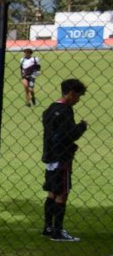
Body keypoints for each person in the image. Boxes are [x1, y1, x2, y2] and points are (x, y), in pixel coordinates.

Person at [41, 78, 89, 242]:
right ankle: (58, 231)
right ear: (71, 93)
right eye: (78, 96)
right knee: (62, 193)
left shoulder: (50, 109)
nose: (78, 99)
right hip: (62, 158)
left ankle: (48, 228)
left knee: (52, 192)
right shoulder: (66, 111)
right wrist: (82, 126)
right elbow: (70, 135)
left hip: (49, 156)